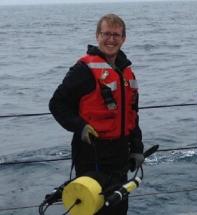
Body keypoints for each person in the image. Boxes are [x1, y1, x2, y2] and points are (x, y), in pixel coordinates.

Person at [49, 13, 144, 215]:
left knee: (118, 206)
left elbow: (132, 114)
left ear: (123, 38)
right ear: (97, 36)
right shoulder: (83, 69)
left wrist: (137, 147)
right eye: (106, 34)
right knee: (93, 208)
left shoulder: (127, 71)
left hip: (120, 154)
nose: (111, 39)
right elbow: (57, 104)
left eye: (116, 35)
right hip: (91, 153)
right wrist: (80, 126)